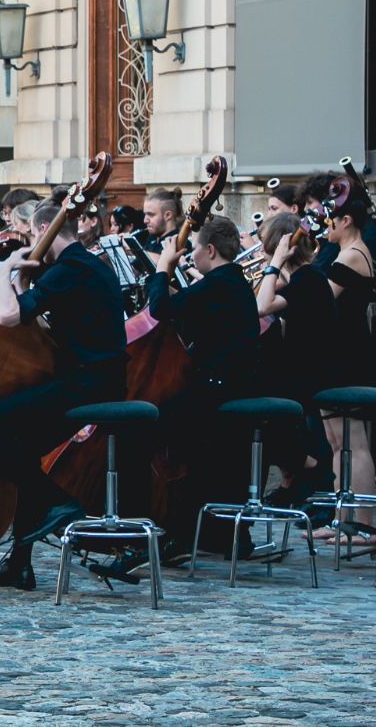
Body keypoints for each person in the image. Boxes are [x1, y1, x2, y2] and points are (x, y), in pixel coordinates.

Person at [0, 200, 127, 592]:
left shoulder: (68, 271)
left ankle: (59, 501)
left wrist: (5, 270)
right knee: (21, 451)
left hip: (85, 384)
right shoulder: (90, 265)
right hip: (102, 379)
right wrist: (24, 283)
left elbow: (9, 316)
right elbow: (32, 311)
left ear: (40, 232)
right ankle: (19, 563)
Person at [146, 216, 262, 552]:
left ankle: (178, 527)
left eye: (194, 248)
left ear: (209, 250)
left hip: (218, 389)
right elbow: (190, 312)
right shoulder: (232, 282)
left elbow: (160, 310)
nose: (191, 254)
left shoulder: (217, 284)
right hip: (236, 385)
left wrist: (163, 267)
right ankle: (215, 531)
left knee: (154, 422)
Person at [254, 212, 337, 503]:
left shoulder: (308, 278)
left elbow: (261, 307)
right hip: (302, 371)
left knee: (260, 415)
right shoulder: (303, 278)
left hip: (310, 375)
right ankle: (297, 473)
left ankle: (309, 469)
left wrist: (274, 264)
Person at [319, 193, 376, 533]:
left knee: (355, 442)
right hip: (337, 356)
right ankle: (342, 520)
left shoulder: (353, 255)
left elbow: (319, 300)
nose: (325, 223)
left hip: (350, 359)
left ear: (346, 220)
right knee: (337, 442)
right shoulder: (344, 253)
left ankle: (364, 526)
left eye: (330, 217)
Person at [139, 188, 183, 255]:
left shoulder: (180, 241)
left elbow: (169, 261)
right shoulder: (152, 238)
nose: (145, 221)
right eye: (145, 214)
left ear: (168, 215)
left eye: (151, 215)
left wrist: (134, 251)